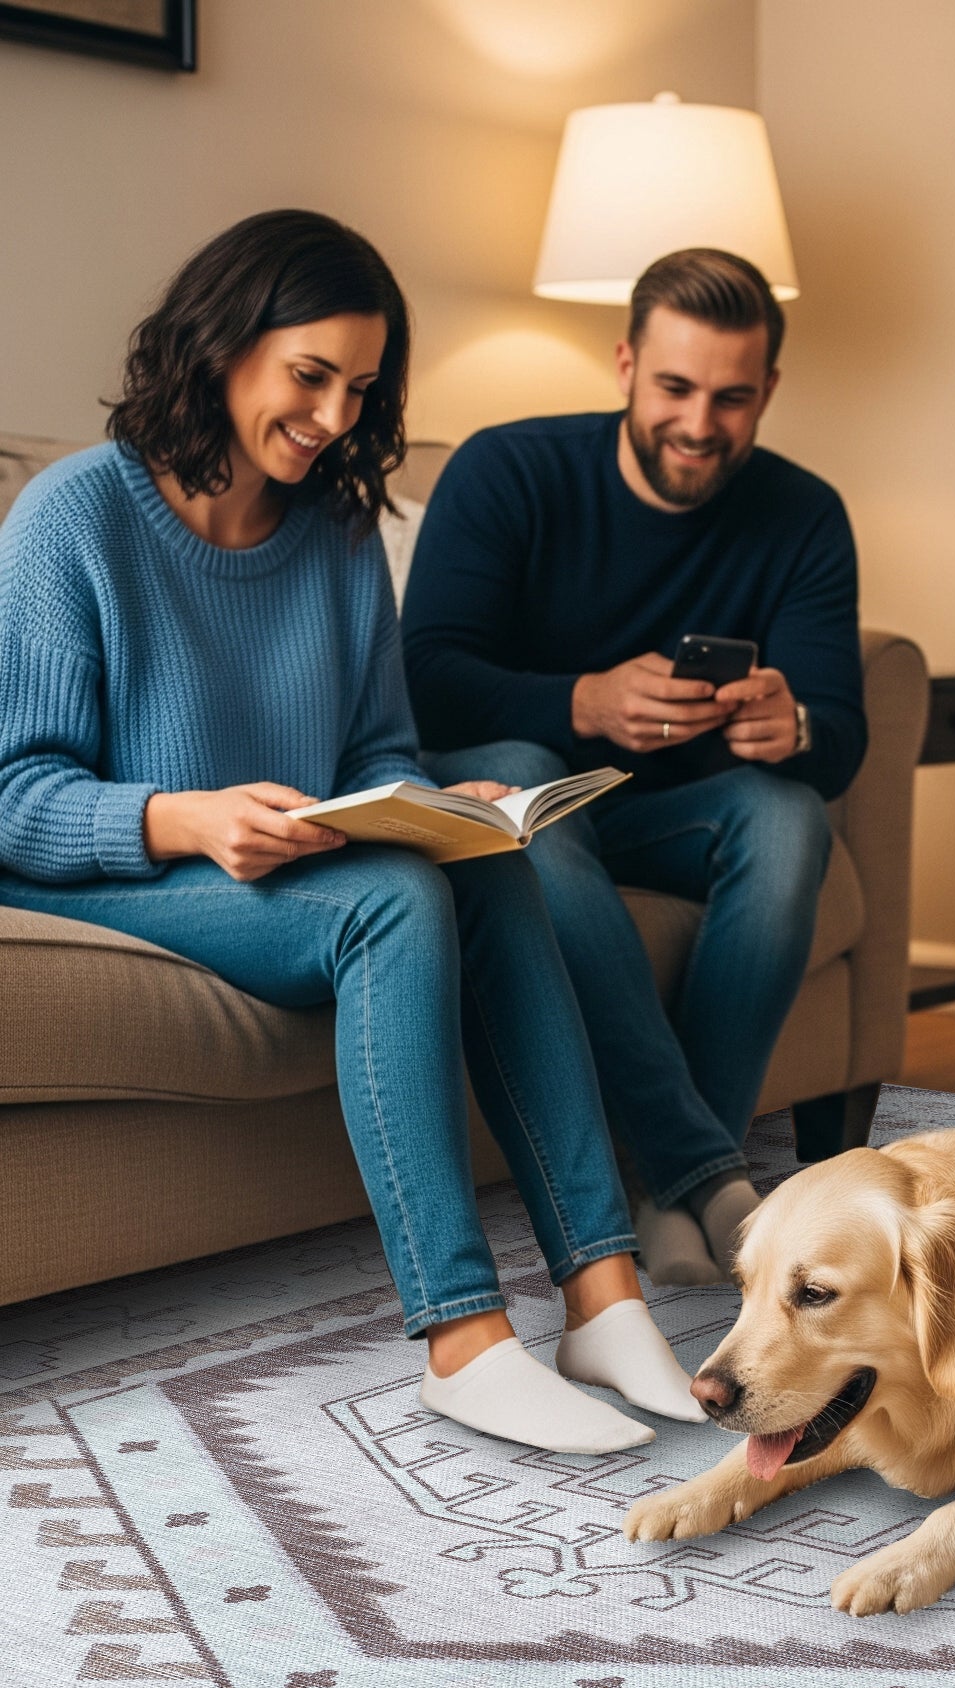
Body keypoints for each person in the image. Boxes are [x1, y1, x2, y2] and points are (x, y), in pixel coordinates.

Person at [0, 209, 705, 1454]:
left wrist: (435, 805)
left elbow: (376, 746)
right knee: (394, 903)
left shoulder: (333, 530)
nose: (331, 417)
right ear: (223, 345)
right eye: (309, 375)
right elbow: (15, 793)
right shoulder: (73, 521)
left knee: (479, 868)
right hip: (117, 871)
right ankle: (461, 1337)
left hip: (290, 861)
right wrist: (182, 815)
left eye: (360, 387)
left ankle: (601, 1291)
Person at [401, 247, 865, 1286]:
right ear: (623, 365)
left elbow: (842, 728)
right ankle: (706, 1170)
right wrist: (581, 699)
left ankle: (666, 1188)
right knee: (527, 771)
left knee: (790, 813)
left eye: (733, 398)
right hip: (516, 789)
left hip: (667, 813)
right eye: (675, 388)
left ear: (768, 393)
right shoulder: (507, 470)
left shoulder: (803, 514)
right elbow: (422, 678)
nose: (701, 424)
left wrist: (795, 726)